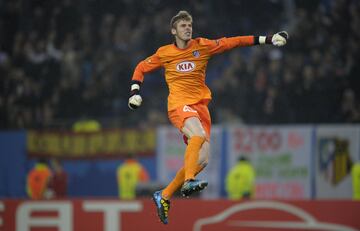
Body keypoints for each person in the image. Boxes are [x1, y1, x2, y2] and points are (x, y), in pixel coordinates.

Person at [128, 10, 288, 224]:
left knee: (202, 160)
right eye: (183, 26)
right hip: (178, 105)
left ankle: (164, 195)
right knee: (198, 135)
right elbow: (141, 67)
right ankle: (189, 181)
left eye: (189, 25)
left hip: (201, 108)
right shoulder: (164, 53)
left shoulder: (202, 46)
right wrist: (134, 92)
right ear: (173, 30)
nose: (187, 28)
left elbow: (235, 42)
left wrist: (268, 39)